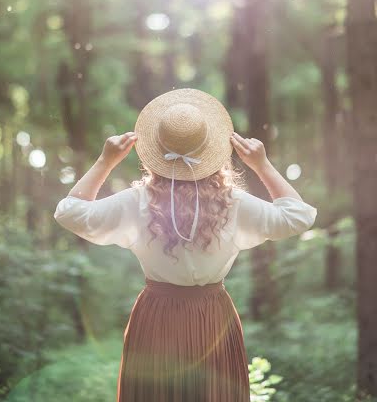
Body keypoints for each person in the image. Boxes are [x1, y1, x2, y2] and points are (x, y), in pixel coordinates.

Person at [54, 88, 317, 401]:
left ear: (155, 150)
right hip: (214, 319)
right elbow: (298, 216)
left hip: (156, 318)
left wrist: (104, 161)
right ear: (213, 150)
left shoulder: (137, 202)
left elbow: (69, 212)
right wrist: (261, 165)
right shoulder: (232, 203)